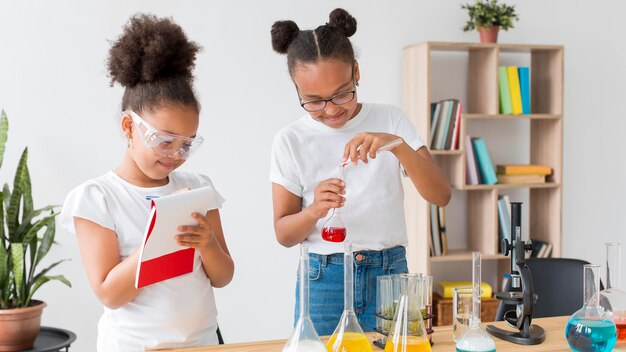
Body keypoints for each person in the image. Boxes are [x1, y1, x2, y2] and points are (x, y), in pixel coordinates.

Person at [270, 8, 451, 335]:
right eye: (313, 101)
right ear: (296, 89)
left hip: (390, 272)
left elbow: (440, 195)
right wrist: (313, 210)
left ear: (356, 72)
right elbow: (284, 234)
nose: (331, 109)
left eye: (342, 93)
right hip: (324, 280)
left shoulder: (391, 120)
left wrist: (396, 144)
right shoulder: (290, 140)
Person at [59, 14, 234, 351]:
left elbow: (223, 276)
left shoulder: (197, 186)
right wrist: (160, 236)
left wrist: (207, 244)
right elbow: (110, 294)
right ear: (129, 127)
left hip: (203, 343)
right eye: (164, 140)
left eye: (187, 143)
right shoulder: (97, 198)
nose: (175, 154)